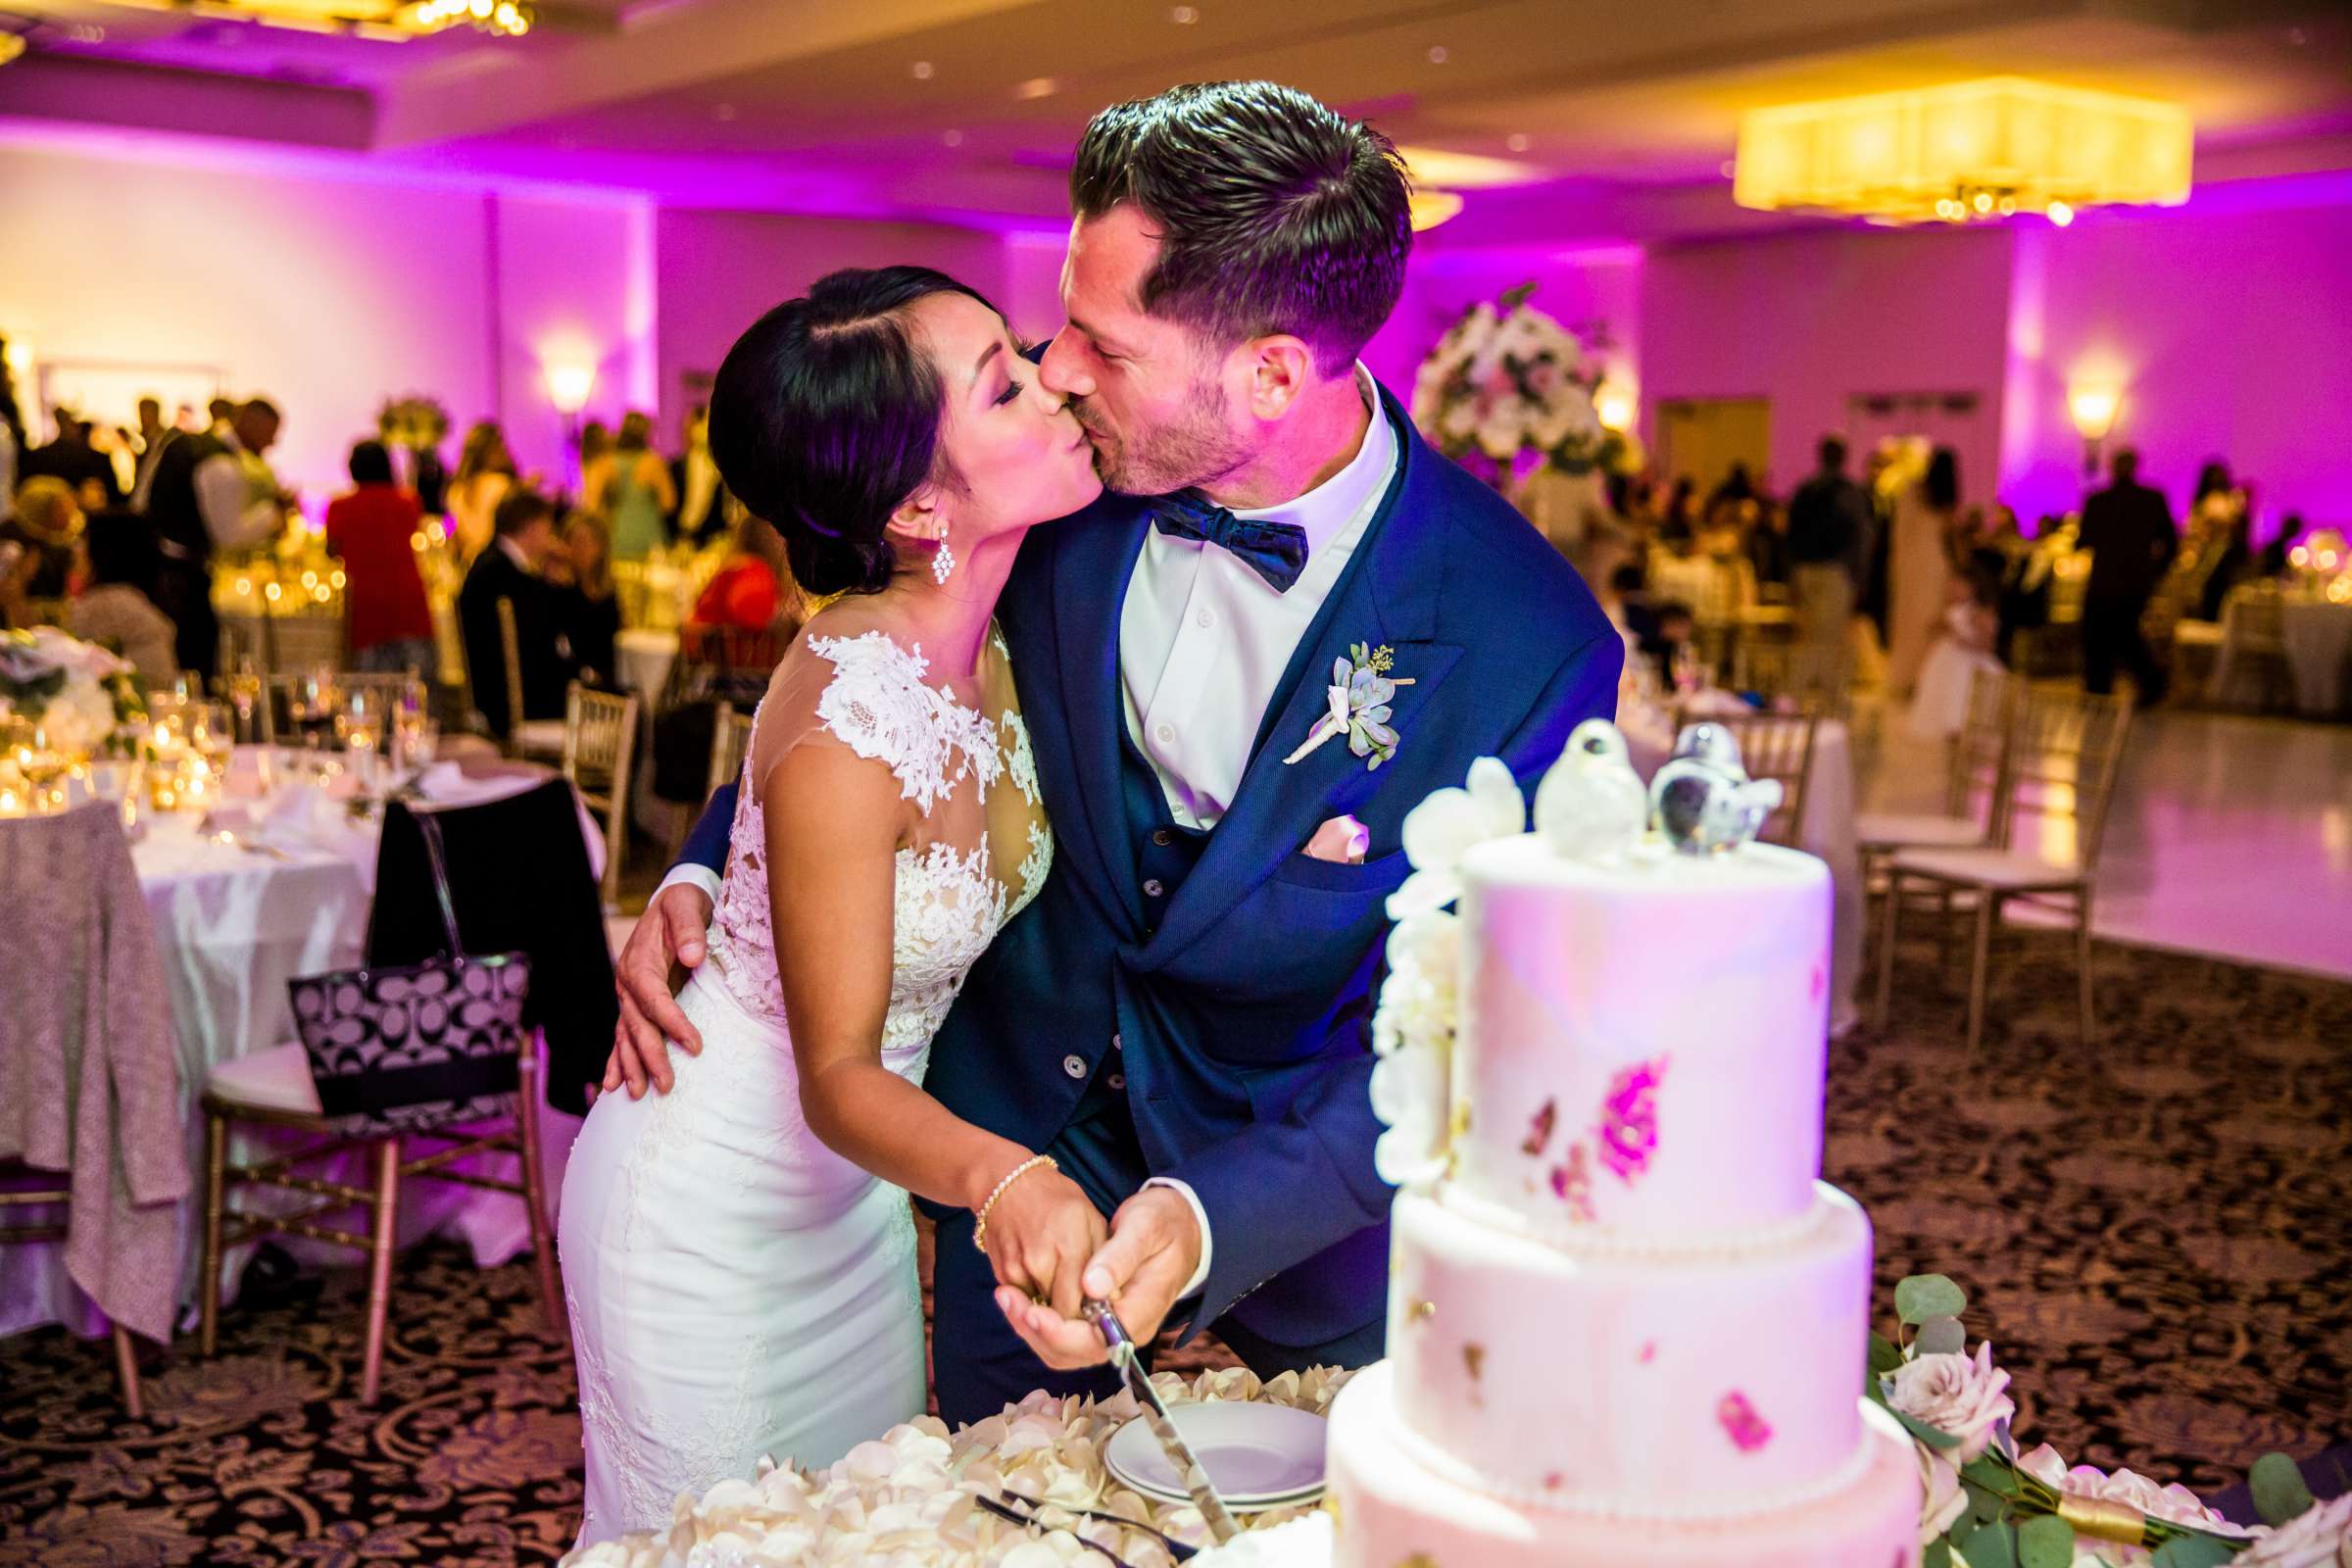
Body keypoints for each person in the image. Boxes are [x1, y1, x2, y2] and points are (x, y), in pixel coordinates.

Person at [580, 80, 1620, 1544]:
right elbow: (875, 678)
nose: (1057, 368)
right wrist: (707, 873)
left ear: (1266, 376)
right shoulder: (1064, 488)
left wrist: (1206, 1224)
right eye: (1052, 327)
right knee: (961, 1530)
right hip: (1003, 1155)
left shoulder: (1525, 648)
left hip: (1297, 1215)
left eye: (1104, 344)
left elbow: (1463, 1039)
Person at [141, 398, 287, 683]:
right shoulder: (218, 462)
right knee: (195, 667)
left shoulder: (184, 444)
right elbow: (229, 535)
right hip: (181, 583)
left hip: (159, 572)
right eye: (271, 433)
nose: (272, 443)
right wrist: (273, 516)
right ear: (252, 422)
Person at [458, 487, 574, 739]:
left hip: (491, 693)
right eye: (547, 527)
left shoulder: (488, 562)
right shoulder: (506, 577)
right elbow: (542, 643)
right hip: (514, 702)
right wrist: (559, 586)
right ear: (532, 527)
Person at [324, 439, 435, 675]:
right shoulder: (407, 502)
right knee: (416, 684)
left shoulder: (340, 507)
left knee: (370, 685)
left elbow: (332, 551)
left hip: (367, 603)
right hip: (408, 600)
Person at [2076, 448, 2178, 703]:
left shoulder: (2100, 501)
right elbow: (2170, 542)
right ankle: (2141, 683)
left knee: (2111, 633)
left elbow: (2084, 540)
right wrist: (2155, 572)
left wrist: (2155, 572)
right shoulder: (2148, 500)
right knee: (2120, 633)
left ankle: (2111, 685)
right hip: (2131, 580)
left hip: (2110, 580)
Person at [1786, 434, 1871, 684]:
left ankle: (1802, 694)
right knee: (1827, 639)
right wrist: (1859, 577)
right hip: (1834, 571)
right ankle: (1819, 698)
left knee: (1810, 636)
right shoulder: (1848, 493)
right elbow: (1861, 538)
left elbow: (1791, 536)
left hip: (1806, 570)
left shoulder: (1805, 490)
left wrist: (1791, 573)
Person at [65, 509, 177, 681]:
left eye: (84, 540)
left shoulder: (107, 604)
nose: (76, 548)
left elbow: (55, 658)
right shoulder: (131, 598)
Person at [1886, 444, 1961, 695]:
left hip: (1913, 565)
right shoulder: (1946, 500)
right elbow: (1951, 538)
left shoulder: (1913, 492)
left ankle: (1907, 678)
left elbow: (1900, 533)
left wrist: (1896, 566)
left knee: (1910, 623)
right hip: (1937, 565)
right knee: (1929, 623)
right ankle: (1923, 679)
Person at [1908, 564, 2002, 742]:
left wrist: (1964, 638)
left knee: (1965, 706)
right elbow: (1931, 628)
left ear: (1973, 587)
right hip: (1947, 666)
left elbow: (1988, 644)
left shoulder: (1978, 612)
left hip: (1969, 668)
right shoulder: (1950, 611)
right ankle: (1953, 748)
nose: (1953, 587)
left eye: (1959, 584)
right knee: (1946, 708)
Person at [582, 411, 677, 561]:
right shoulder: (654, 463)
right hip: (650, 536)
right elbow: (669, 504)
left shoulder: (605, 464)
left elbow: (590, 505)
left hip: (617, 537)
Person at [546, 509, 622, 687]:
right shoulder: (559, 590)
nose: (578, 549)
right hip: (571, 679)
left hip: (603, 677)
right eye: (572, 541)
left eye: (585, 543)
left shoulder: (607, 592)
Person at [2, 475, 85, 601]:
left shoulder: (61, 540)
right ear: (42, 510)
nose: (72, 512)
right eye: (64, 506)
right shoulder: (14, 545)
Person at [446, 420, 518, 564]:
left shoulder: (455, 490)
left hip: (469, 563)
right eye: (501, 446)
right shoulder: (500, 484)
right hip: (496, 562)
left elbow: (456, 537)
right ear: (491, 451)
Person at [668, 403, 728, 545]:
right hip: (682, 535)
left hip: (711, 536)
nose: (685, 432)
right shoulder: (677, 466)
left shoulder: (718, 467)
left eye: (691, 425)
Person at [2261, 514, 2307, 578]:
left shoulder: (2281, 545)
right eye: (2296, 528)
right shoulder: (2276, 547)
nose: (2297, 532)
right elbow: (2272, 569)